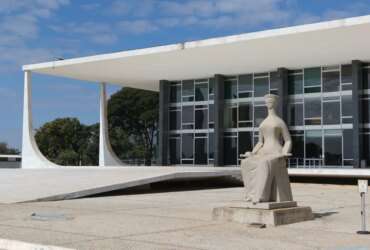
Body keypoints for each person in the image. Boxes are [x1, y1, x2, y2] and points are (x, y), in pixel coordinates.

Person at [240, 94, 293, 203]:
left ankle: (261, 196)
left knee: (264, 163)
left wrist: (284, 153)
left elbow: (288, 140)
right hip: (263, 152)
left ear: (275, 103)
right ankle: (250, 194)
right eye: (267, 101)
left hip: (275, 153)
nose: (269, 103)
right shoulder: (263, 123)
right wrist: (253, 152)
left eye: (271, 101)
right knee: (246, 163)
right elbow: (260, 142)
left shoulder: (279, 122)